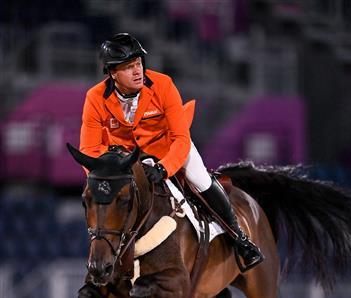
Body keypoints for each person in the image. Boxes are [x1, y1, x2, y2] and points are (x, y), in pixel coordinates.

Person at [80, 33, 263, 271]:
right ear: (113, 73)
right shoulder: (95, 97)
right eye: (128, 67)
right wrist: (111, 173)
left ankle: (240, 239)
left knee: (200, 179)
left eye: (138, 64)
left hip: (169, 147)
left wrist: (164, 168)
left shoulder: (162, 84)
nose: (138, 71)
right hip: (128, 160)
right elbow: (89, 149)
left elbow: (180, 138)